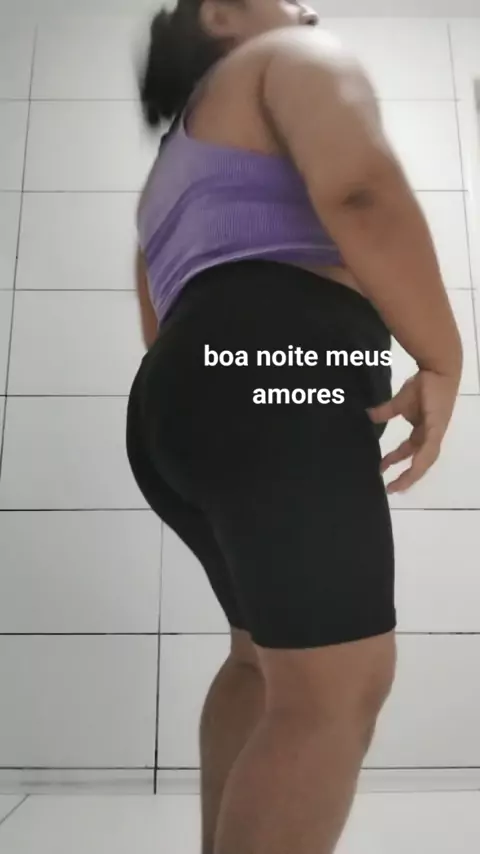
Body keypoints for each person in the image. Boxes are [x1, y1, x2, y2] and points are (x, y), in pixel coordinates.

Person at [126, 2, 463, 852]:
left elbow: (161, 327)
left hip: (174, 403)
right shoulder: (288, 57)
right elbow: (361, 191)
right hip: (278, 375)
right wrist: (442, 357)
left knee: (259, 661)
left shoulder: (166, 178)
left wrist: (239, 403)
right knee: (336, 688)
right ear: (223, 11)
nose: (309, 7)